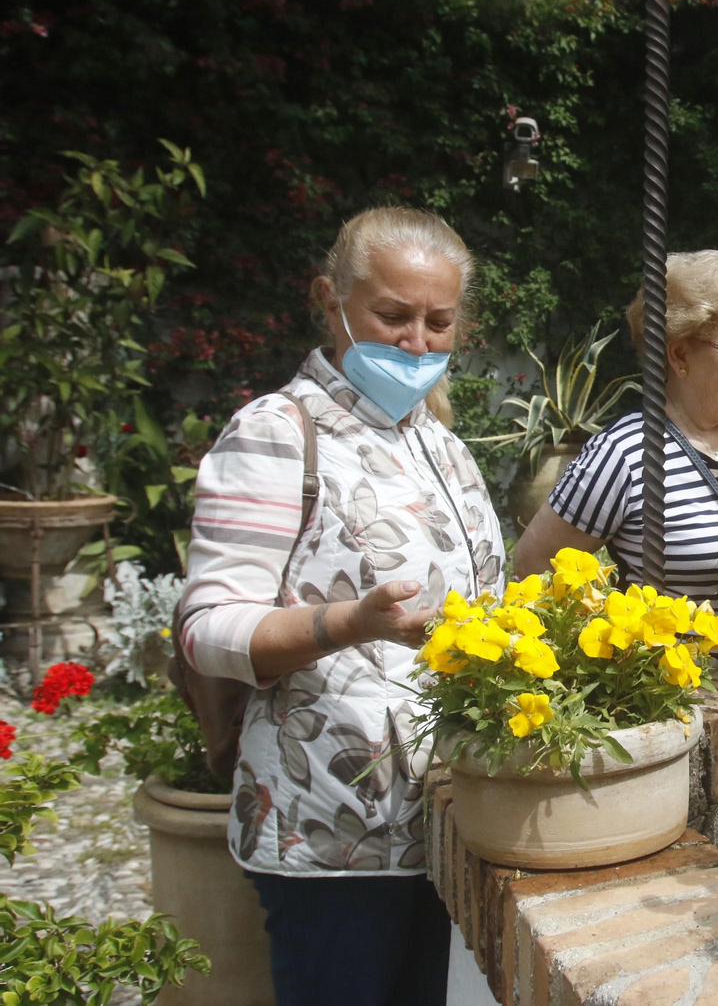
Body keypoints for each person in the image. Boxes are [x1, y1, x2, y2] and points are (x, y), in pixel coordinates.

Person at [176, 207, 505, 1006]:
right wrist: (346, 624)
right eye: (391, 316)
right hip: (331, 835)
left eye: (439, 321)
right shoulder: (278, 434)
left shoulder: (441, 444)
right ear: (331, 300)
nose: (416, 344)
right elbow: (206, 631)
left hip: (444, 824)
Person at [513, 249, 718, 656]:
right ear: (679, 354)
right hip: (698, 707)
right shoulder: (628, 453)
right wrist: (614, 655)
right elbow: (533, 564)